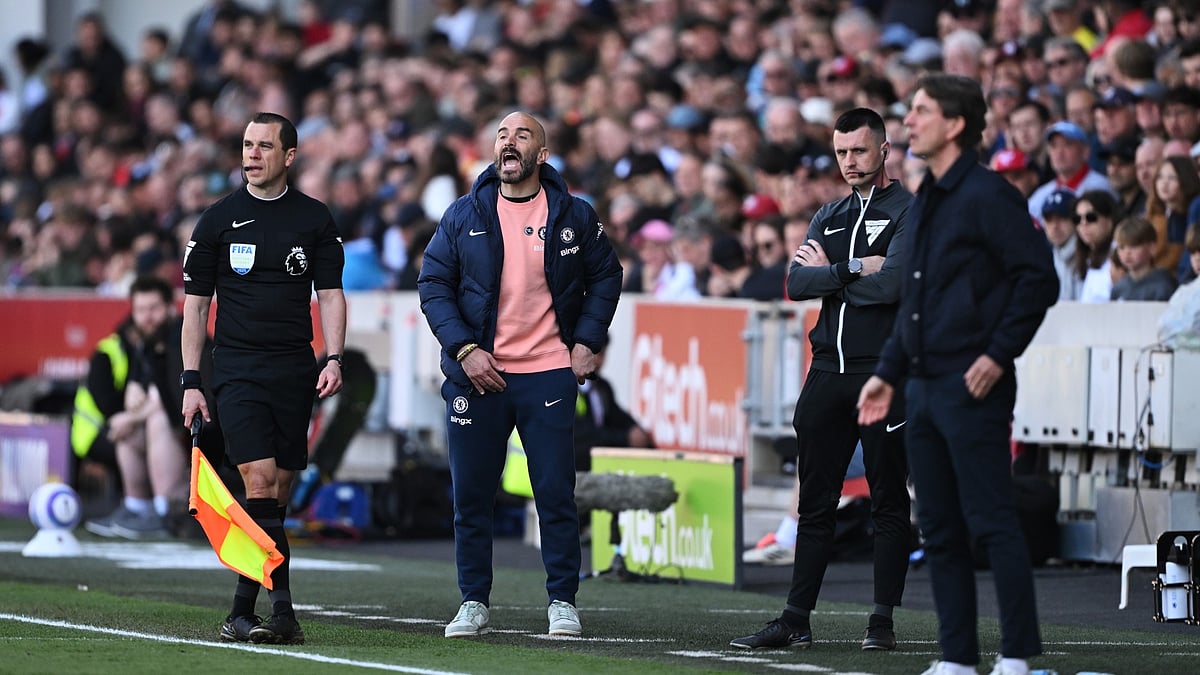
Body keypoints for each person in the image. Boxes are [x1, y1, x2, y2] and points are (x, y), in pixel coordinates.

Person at [857, 74, 1058, 675]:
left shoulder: (990, 195)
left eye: (921, 111)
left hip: (973, 386)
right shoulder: (925, 200)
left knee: (993, 524)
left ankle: (1016, 656)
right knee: (939, 530)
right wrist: (888, 373)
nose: (909, 121)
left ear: (956, 124)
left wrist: (997, 354)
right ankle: (958, 660)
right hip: (920, 388)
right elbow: (914, 303)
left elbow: (1037, 280)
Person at [417, 111, 622, 639]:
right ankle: (472, 601)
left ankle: (562, 602)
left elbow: (607, 274)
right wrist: (464, 349)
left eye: (521, 135)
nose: (509, 143)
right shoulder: (463, 214)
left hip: (548, 373)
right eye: (502, 135)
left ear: (541, 155)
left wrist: (587, 342)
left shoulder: (574, 214)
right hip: (477, 374)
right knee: (471, 496)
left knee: (554, 492)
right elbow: (433, 284)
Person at [731, 108, 912, 652]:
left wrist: (828, 274)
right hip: (826, 372)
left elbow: (894, 286)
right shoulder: (828, 214)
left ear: (884, 150)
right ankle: (796, 619)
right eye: (841, 152)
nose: (849, 161)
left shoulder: (910, 211)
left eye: (859, 150)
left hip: (882, 373)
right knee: (814, 504)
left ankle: (881, 623)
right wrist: (854, 268)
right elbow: (795, 283)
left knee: (888, 501)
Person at [181, 112, 346, 646]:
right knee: (258, 478)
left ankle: (239, 611)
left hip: (294, 369)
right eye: (247, 144)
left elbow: (331, 295)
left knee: (276, 494)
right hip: (236, 370)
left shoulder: (315, 219)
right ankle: (284, 611)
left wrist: (334, 358)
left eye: (264, 146)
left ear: (289, 156)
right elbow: (195, 307)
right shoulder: (217, 221)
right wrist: (191, 380)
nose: (251, 154)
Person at [84, 276, 210, 539]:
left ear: (170, 307)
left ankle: (166, 510)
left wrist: (133, 415)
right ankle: (137, 508)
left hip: (204, 432)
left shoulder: (182, 337)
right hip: (177, 431)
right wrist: (134, 398)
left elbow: (175, 400)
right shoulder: (144, 343)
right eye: (140, 310)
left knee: (155, 419)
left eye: (154, 308)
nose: (147, 317)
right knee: (130, 429)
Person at [1111, 217, 1178, 301]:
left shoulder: (1164, 285)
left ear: (1152, 248)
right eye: (1121, 247)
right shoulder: (1118, 288)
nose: (1127, 252)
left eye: (1134, 246)